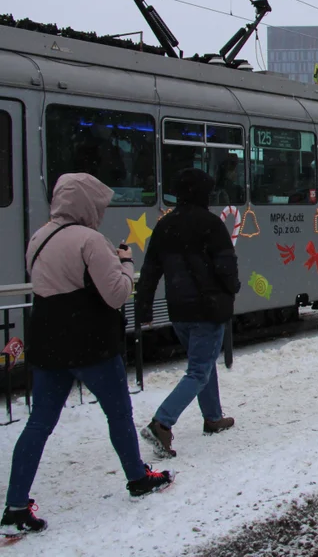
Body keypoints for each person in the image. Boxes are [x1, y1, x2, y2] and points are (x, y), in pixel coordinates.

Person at [2, 174, 172, 537]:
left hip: (47, 341)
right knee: (118, 413)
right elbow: (115, 294)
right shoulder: (91, 240)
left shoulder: (39, 236)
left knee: (39, 423)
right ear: (86, 204)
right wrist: (125, 263)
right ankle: (138, 477)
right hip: (89, 341)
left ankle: (16, 504)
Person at [136, 168, 240, 459]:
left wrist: (143, 307)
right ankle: (162, 423)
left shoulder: (165, 225)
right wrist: (233, 288)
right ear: (202, 194)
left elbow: (150, 271)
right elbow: (225, 266)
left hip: (178, 309)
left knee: (202, 363)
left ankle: (213, 417)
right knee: (199, 370)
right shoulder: (211, 224)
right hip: (208, 308)